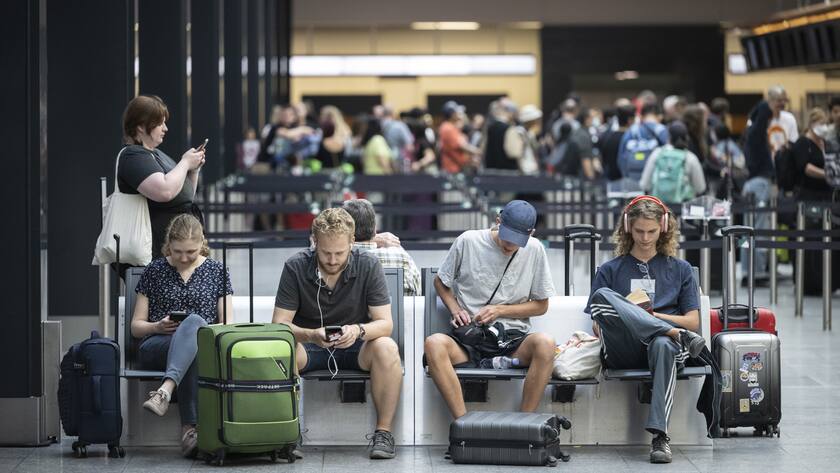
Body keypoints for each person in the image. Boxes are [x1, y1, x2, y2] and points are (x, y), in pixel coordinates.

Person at [584, 196, 710, 464]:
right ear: (628, 228)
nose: (645, 238)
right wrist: (654, 323)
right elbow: (598, 321)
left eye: (651, 231)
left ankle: (661, 437)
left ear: (663, 228)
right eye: (639, 231)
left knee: (662, 343)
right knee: (603, 295)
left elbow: (693, 322)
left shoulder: (681, 269)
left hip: (663, 348)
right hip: (623, 347)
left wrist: (654, 319)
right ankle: (671, 334)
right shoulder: (609, 269)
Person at [272, 208, 401, 459]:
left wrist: (358, 330)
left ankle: (383, 433)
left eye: (340, 253)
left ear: (352, 243)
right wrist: (311, 334)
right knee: (281, 347)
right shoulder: (296, 266)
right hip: (310, 347)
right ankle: (289, 431)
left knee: (386, 346)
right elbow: (280, 325)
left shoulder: (368, 265)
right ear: (314, 242)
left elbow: (385, 324)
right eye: (325, 253)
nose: (332, 260)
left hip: (357, 347)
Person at [424, 200, 557, 419]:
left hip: (512, 340)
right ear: (498, 221)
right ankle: (463, 423)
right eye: (507, 238)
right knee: (433, 344)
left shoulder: (535, 249)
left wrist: (500, 310)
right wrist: (456, 309)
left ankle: (524, 423)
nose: (510, 246)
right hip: (469, 338)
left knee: (546, 343)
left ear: (531, 233)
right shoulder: (468, 241)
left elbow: (541, 305)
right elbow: (441, 282)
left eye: (518, 242)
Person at [131, 214, 233, 457]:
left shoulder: (217, 271)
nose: (184, 258)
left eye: (191, 251)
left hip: (202, 346)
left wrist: (195, 329)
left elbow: (227, 324)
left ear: (202, 244)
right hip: (156, 345)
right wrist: (157, 326)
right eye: (178, 252)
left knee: (196, 328)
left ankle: (165, 392)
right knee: (195, 331)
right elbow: (136, 327)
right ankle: (191, 429)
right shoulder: (155, 270)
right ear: (169, 245)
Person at [118, 95, 206, 259]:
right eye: (160, 123)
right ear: (141, 127)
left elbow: (184, 196)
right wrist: (186, 162)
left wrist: (194, 170)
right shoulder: (133, 156)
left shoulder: (155, 154)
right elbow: (164, 191)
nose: (165, 128)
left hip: (172, 252)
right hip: (153, 254)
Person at [341, 199, 421, 296]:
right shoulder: (401, 256)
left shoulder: (336, 258)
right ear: (374, 228)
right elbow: (417, 292)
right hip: (397, 311)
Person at [742, 101, 774, 286]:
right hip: (761, 183)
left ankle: (747, 273)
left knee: (747, 231)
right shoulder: (759, 134)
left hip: (749, 184)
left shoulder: (749, 133)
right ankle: (760, 273)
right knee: (760, 231)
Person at [639, 121, 706, 203]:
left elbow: (645, 184)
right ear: (686, 137)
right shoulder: (690, 158)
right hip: (682, 207)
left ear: (669, 136)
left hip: (658, 207)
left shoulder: (657, 153)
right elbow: (700, 187)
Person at [618, 102, 669, 181]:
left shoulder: (632, 131)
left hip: (633, 180)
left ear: (641, 116)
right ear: (660, 116)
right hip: (656, 181)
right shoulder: (662, 131)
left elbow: (621, 157)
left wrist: (627, 177)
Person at [792, 107, 834, 202]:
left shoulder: (825, 143)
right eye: (821, 124)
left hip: (826, 193)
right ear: (812, 124)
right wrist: (827, 175)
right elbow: (807, 168)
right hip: (808, 194)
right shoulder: (803, 143)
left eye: (826, 124)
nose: (824, 127)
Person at [439, 101, 479, 174]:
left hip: (456, 167)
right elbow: (462, 146)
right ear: (452, 114)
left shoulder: (451, 126)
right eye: (456, 112)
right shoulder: (448, 128)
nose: (459, 114)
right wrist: (479, 152)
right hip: (452, 169)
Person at [599, 103, 635, 182]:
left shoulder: (608, 137)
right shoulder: (633, 139)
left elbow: (603, 160)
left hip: (612, 182)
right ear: (630, 120)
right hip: (631, 183)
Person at [503, 104, 543, 175]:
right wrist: (521, 169)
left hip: (532, 168)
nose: (537, 121)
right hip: (525, 169)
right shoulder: (519, 132)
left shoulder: (530, 133)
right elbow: (517, 153)